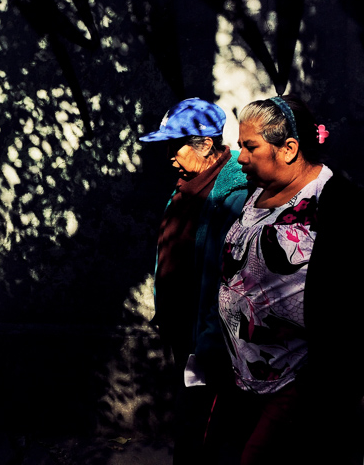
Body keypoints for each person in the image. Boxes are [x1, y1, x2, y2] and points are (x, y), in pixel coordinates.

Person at [209, 94, 364, 465]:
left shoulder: (341, 206)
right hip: (242, 378)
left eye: (250, 147)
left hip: (299, 384)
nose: (239, 157)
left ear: (289, 148)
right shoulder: (258, 192)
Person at [140, 97, 249, 465]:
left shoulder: (230, 197)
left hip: (209, 341)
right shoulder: (188, 184)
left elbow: (227, 277)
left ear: (205, 146)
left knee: (206, 431)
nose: (169, 156)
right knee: (190, 419)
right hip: (182, 330)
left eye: (175, 145)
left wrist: (209, 341)